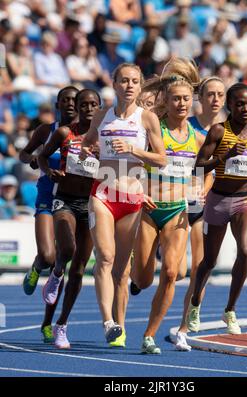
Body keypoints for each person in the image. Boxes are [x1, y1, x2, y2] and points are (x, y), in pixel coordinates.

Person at [79, 63, 166, 348]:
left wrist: (133, 150)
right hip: (103, 194)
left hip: (131, 199)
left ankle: (121, 326)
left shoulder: (148, 119)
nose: (129, 85)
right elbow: (87, 144)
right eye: (124, 80)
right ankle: (108, 322)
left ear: (140, 87)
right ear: (114, 84)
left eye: (134, 81)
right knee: (104, 257)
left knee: (122, 270)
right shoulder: (102, 116)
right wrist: (86, 150)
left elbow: (161, 159)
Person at [186, 83, 247, 337]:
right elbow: (198, 167)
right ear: (229, 106)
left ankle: (230, 310)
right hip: (218, 200)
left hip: (245, 200)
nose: (245, 108)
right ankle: (195, 303)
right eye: (239, 103)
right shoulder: (218, 131)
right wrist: (223, 157)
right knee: (210, 261)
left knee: (245, 251)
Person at [130, 58, 202, 354]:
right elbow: (130, 164)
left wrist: (202, 190)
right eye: (176, 99)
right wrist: (136, 191)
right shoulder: (153, 129)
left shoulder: (197, 138)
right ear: (167, 101)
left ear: (191, 101)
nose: (182, 104)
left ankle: (149, 335)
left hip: (176, 211)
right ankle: (136, 273)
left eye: (186, 99)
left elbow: (207, 171)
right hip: (149, 209)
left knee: (172, 273)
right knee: (144, 279)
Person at [38, 89, 101, 349]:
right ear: (76, 106)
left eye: (93, 104)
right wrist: (49, 171)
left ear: (99, 108)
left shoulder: (104, 138)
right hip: (64, 199)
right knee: (67, 248)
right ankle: (55, 272)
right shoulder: (65, 133)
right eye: (83, 104)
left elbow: (117, 168)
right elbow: (42, 156)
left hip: (91, 204)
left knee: (79, 270)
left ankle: (62, 325)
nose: (88, 108)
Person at [20, 86, 79, 343]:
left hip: (73, 201)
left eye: (73, 100)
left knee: (61, 265)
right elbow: (24, 153)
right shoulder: (46, 130)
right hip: (47, 197)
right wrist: (33, 158)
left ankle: (47, 323)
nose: (69, 104)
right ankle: (36, 266)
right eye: (64, 100)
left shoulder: (85, 134)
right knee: (47, 255)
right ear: (57, 104)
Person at [176, 76, 226, 351]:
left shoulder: (226, 131)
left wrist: (205, 189)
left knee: (200, 265)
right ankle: (140, 274)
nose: (216, 99)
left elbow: (217, 171)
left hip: (203, 202)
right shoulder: (186, 124)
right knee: (176, 272)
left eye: (220, 94)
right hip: (172, 199)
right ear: (201, 97)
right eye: (211, 94)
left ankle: (184, 326)